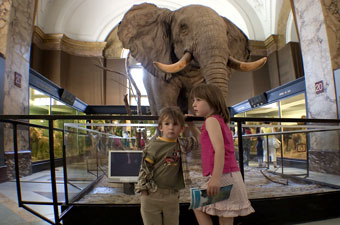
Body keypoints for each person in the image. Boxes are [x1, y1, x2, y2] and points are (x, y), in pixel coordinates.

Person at [189, 84, 254, 225]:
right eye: (194, 100)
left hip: (224, 176)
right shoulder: (218, 120)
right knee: (222, 215)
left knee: (199, 206)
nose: (194, 104)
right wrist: (191, 126)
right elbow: (205, 142)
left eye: (198, 99)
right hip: (229, 175)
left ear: (211, 100)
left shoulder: (211, 120)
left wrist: (216, 179)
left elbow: (219, 149)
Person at [135, 106, 198, 225]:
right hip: (151, 195)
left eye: (175, 124)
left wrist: (192, 125)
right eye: (167, 123)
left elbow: (200, 140)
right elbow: (144, 168)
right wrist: (143, 190)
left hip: (172, 196)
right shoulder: (153, 145)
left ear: (181, 128)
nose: (171, 127)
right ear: (160, 127)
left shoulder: (183, 144)